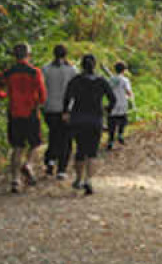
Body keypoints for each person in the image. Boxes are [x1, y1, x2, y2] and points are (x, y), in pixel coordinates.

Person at [0, 43, 47, 194]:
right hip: (31, 111)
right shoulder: (35, 72)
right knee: (36, 143)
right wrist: (38, 101)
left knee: (17, 146)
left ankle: (15, 180)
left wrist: (5, 96)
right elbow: (43, 95)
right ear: (28, 55)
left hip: (14, 112)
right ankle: (29, 163)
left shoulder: (8, 73)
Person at [62, 54, 115, 196]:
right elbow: (113, 98)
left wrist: (66, 112)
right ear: (95, 65)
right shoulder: (101, 81)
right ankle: (88, 180)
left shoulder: (76, 80)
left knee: (80, 150)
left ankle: (78, 179)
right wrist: (107, 110)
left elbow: (67, 97)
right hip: (95, 119)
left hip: (78, 118)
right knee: (92, 152)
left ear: (81, 66)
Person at [41, 45, 77, 179]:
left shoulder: (45, 69)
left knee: (53, 135)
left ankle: (50, 160)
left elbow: (42, 88)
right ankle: (62, 169)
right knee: (66, 139)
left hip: (50, 108)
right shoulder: (72, 70)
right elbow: (74, 91)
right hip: (66, 109)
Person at [106, 62, 134, 150]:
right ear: (124, 70)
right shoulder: (125, 80)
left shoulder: (110, 79)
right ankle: (120, 134)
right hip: (122, 103)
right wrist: (131, 98)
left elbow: (107, 91)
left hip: (112, 103)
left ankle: (110, 140)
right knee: (123, 120)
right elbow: (129, 92)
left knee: (111, 122)